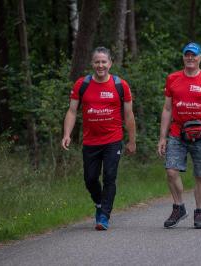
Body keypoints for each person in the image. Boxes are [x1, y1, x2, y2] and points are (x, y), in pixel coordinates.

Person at [62, 47, 136, 231]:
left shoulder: (120, 85)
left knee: (110, 177)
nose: (100, 65)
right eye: (97, 62)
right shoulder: (82, 84)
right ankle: (99, 203)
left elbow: (128, 115)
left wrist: (132, 140)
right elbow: (72, 111)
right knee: (90, 178)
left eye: (104, 62)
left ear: (110, 63)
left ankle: (104, 216)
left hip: (113, 140)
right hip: (90, 141)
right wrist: (66, 134)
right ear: (92, 63)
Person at [157, 42, 201, 229]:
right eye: (187, 55)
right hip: (178, 133)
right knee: (171, 171)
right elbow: (167, 108)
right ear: (183, 57)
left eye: (193, 55)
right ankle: (179, 207)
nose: (190, 58)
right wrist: (162, 137)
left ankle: (200, 212)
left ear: (200, 57)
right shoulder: (172, 79)